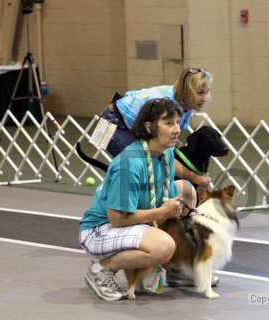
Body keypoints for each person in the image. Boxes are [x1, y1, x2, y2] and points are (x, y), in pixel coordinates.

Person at [79, 98, 197, 301]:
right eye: (168, 123)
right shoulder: (130, 163)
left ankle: (175, 267)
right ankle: (101, 269)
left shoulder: (166, 153)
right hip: (100, 229)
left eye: (177, 122)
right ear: (149, 127)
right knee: (163, 247)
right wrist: (161, 214)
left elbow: (164, 197)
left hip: (129, 220)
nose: (177, 129)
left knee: (186, 190)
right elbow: (116, 219)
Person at [101, 67, 213, 188]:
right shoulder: (167, 105)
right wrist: (195, 177)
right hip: (115, 122)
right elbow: (165, 156)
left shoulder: (187, 102)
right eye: (200, 93)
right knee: (141, 168)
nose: (205, 98)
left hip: (127, 118)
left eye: (207, 92)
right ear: (187, 91)